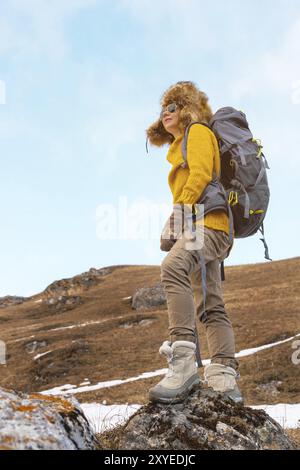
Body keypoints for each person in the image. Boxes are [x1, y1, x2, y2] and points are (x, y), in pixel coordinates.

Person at [145, 81, 243, 404]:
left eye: (172, 107)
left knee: (172, 266)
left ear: (185, 109)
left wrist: (178, 217)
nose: (165, 114)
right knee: (211, 303)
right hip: (209, 226)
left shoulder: (198, 132)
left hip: (208, 225)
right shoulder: (179, 147)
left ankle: (184, 365)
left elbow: (200, 175)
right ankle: (224, 379)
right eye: (162, 110)